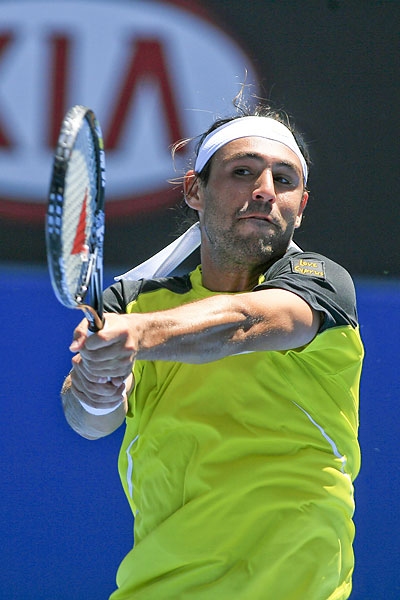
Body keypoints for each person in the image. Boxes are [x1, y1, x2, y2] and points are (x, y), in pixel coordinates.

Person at [61, 99, 364, 600]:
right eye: (243, 172)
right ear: (194, 190)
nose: (265, 190)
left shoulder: (322, 284)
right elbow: (90, 421)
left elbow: (245, 323)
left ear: (301, 206)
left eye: (283, 180)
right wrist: (96, 385)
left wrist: (138, 334)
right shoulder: (133, 303)